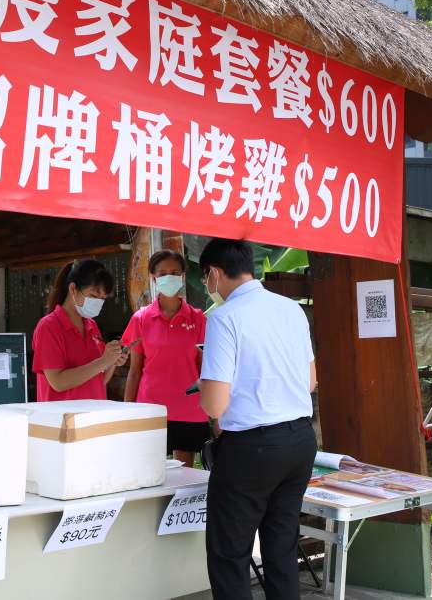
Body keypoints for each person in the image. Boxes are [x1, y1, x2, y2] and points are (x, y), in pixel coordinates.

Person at [197, 239, 317, 600]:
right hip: (299, 441)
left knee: (229, 554)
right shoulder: (291, 309)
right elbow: (310, 380)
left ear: (214, 274)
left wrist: (207, 385)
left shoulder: (223, 317)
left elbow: (214, 405)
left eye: (206, 278)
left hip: (252, 449)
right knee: (281, 549)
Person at [121, 249, 207, 466]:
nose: (169, 277)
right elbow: (134, 371)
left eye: (175, 272)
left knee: (185, 478)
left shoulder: (198, 319)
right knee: (148, 471)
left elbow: (205, 371)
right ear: (153, 277)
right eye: (162, 273)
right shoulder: (141, 319)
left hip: (189, 409)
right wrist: (126, 411)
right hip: (150, 409)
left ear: (183, 276)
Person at [32, 259, 128, 401]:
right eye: (93, 296)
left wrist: (113, 360)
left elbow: (99, 380)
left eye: (102, 299)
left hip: (93, 417)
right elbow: (58, 382)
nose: (98, 303)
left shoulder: (92, 326)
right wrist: (103, 361)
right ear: (73, 289)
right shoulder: (48, 327)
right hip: (62, 419)